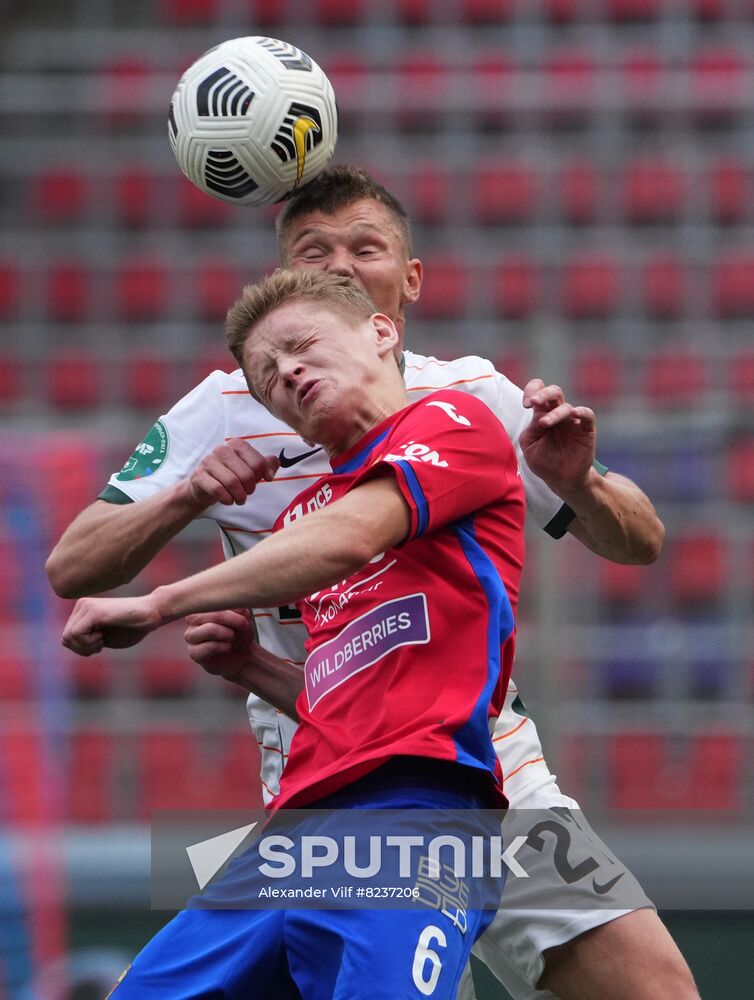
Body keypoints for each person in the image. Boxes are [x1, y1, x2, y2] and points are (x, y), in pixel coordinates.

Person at [47, 167, 697, 1000]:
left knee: (652, 989)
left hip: (476, 754)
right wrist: (192, 493)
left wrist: (578, 485)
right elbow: (75, 565)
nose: (341, 266)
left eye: (366, 247)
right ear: (283, 275)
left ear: (404, 291)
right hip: (311, 763)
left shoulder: (471, 399)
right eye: (314, 252)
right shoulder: (225, 404)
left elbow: (641, 541)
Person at [62, 268, 528, 997]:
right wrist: (252, 667)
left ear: (382, 331)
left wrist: (159, 605)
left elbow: (350, 536)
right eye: (268, 376)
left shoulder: (452, 423)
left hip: (417, 818)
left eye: (302, 344)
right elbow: (349, 696)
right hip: (293, 836)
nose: (289, 373)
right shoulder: (300, 514)